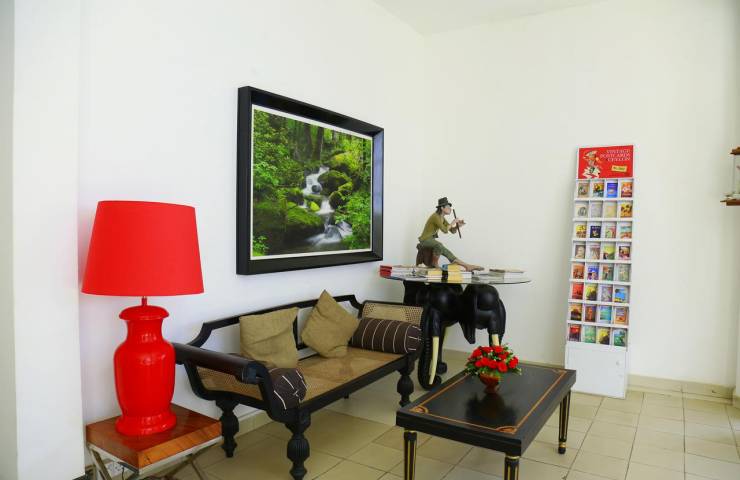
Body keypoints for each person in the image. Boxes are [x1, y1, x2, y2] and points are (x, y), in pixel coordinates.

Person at [417, 197, 482, 271]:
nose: (450, 209)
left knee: (445, 251)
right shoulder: (435, 216)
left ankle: (466, 266)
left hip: (431, 239)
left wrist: (458, 226)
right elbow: (445, 230)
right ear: (442, 208)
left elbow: (452, 231)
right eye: (448, 207)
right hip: (425, 239)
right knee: (439, 245)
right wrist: (453, 222)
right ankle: (434, 263)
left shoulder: (442, 218)